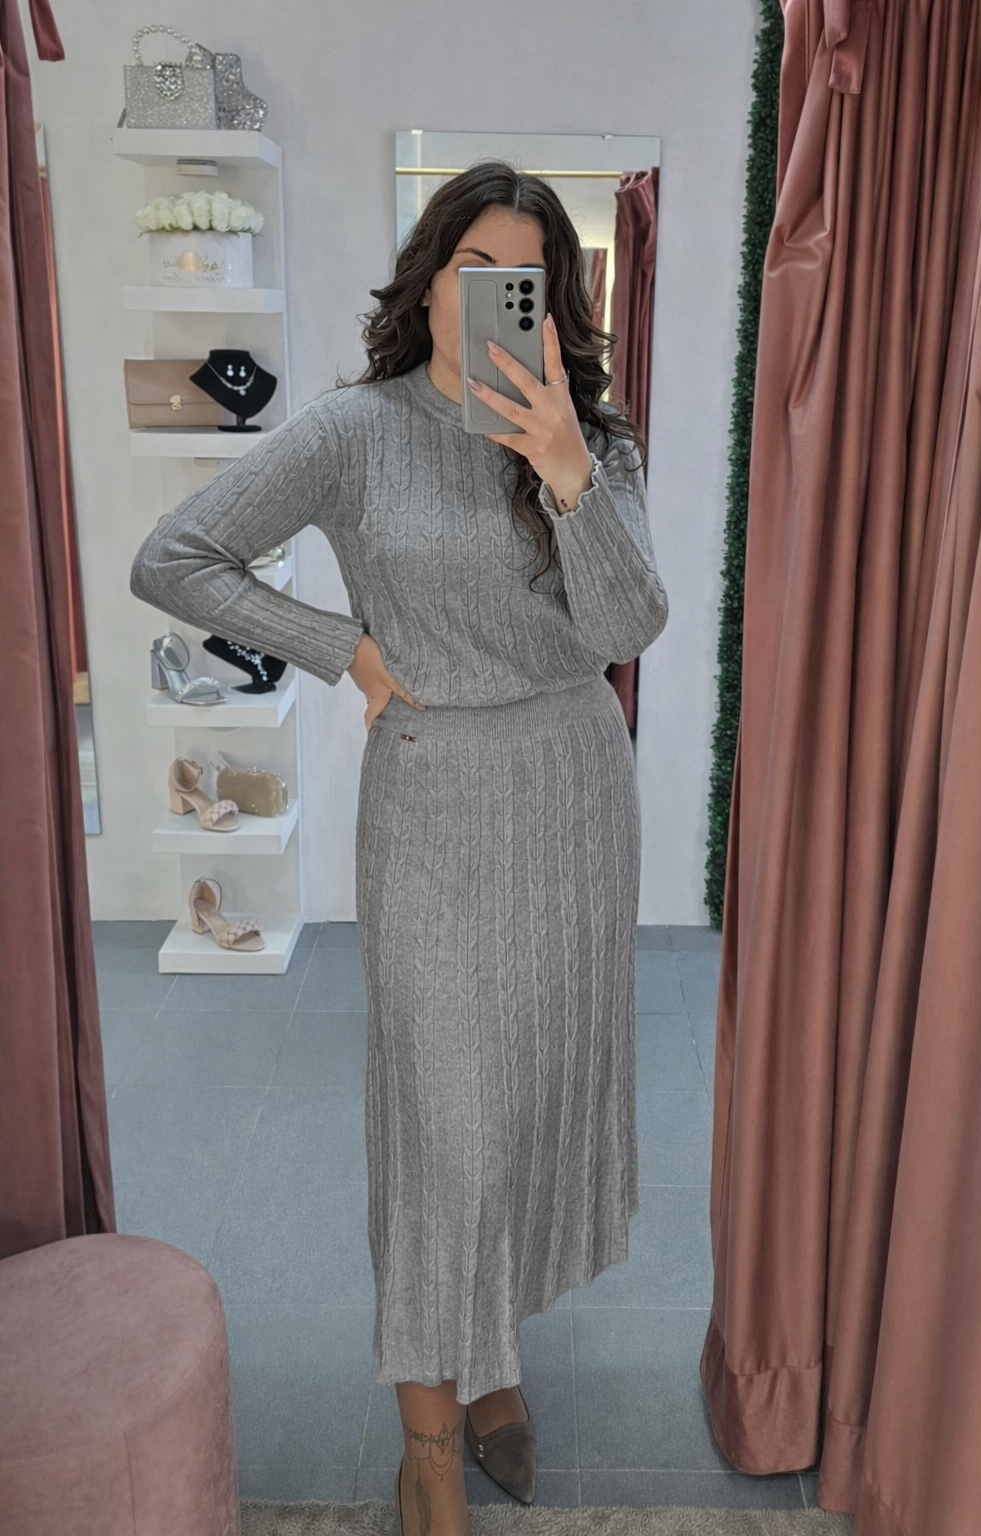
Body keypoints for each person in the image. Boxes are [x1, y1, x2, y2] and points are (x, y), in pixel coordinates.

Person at [129, 159, 669, 1536]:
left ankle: (490, 1367)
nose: (493, 295)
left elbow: (627, 629)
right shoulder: (354, 432)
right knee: (445, 1132)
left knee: (526, 1107)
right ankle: (428, 1442)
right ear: (429, 281)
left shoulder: (591, 441)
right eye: (472, 268)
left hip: (573, 794)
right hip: (432, 802)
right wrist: (342, 649)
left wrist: (565, 470)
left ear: (552, 301)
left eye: (523, 278)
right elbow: (175, 556)